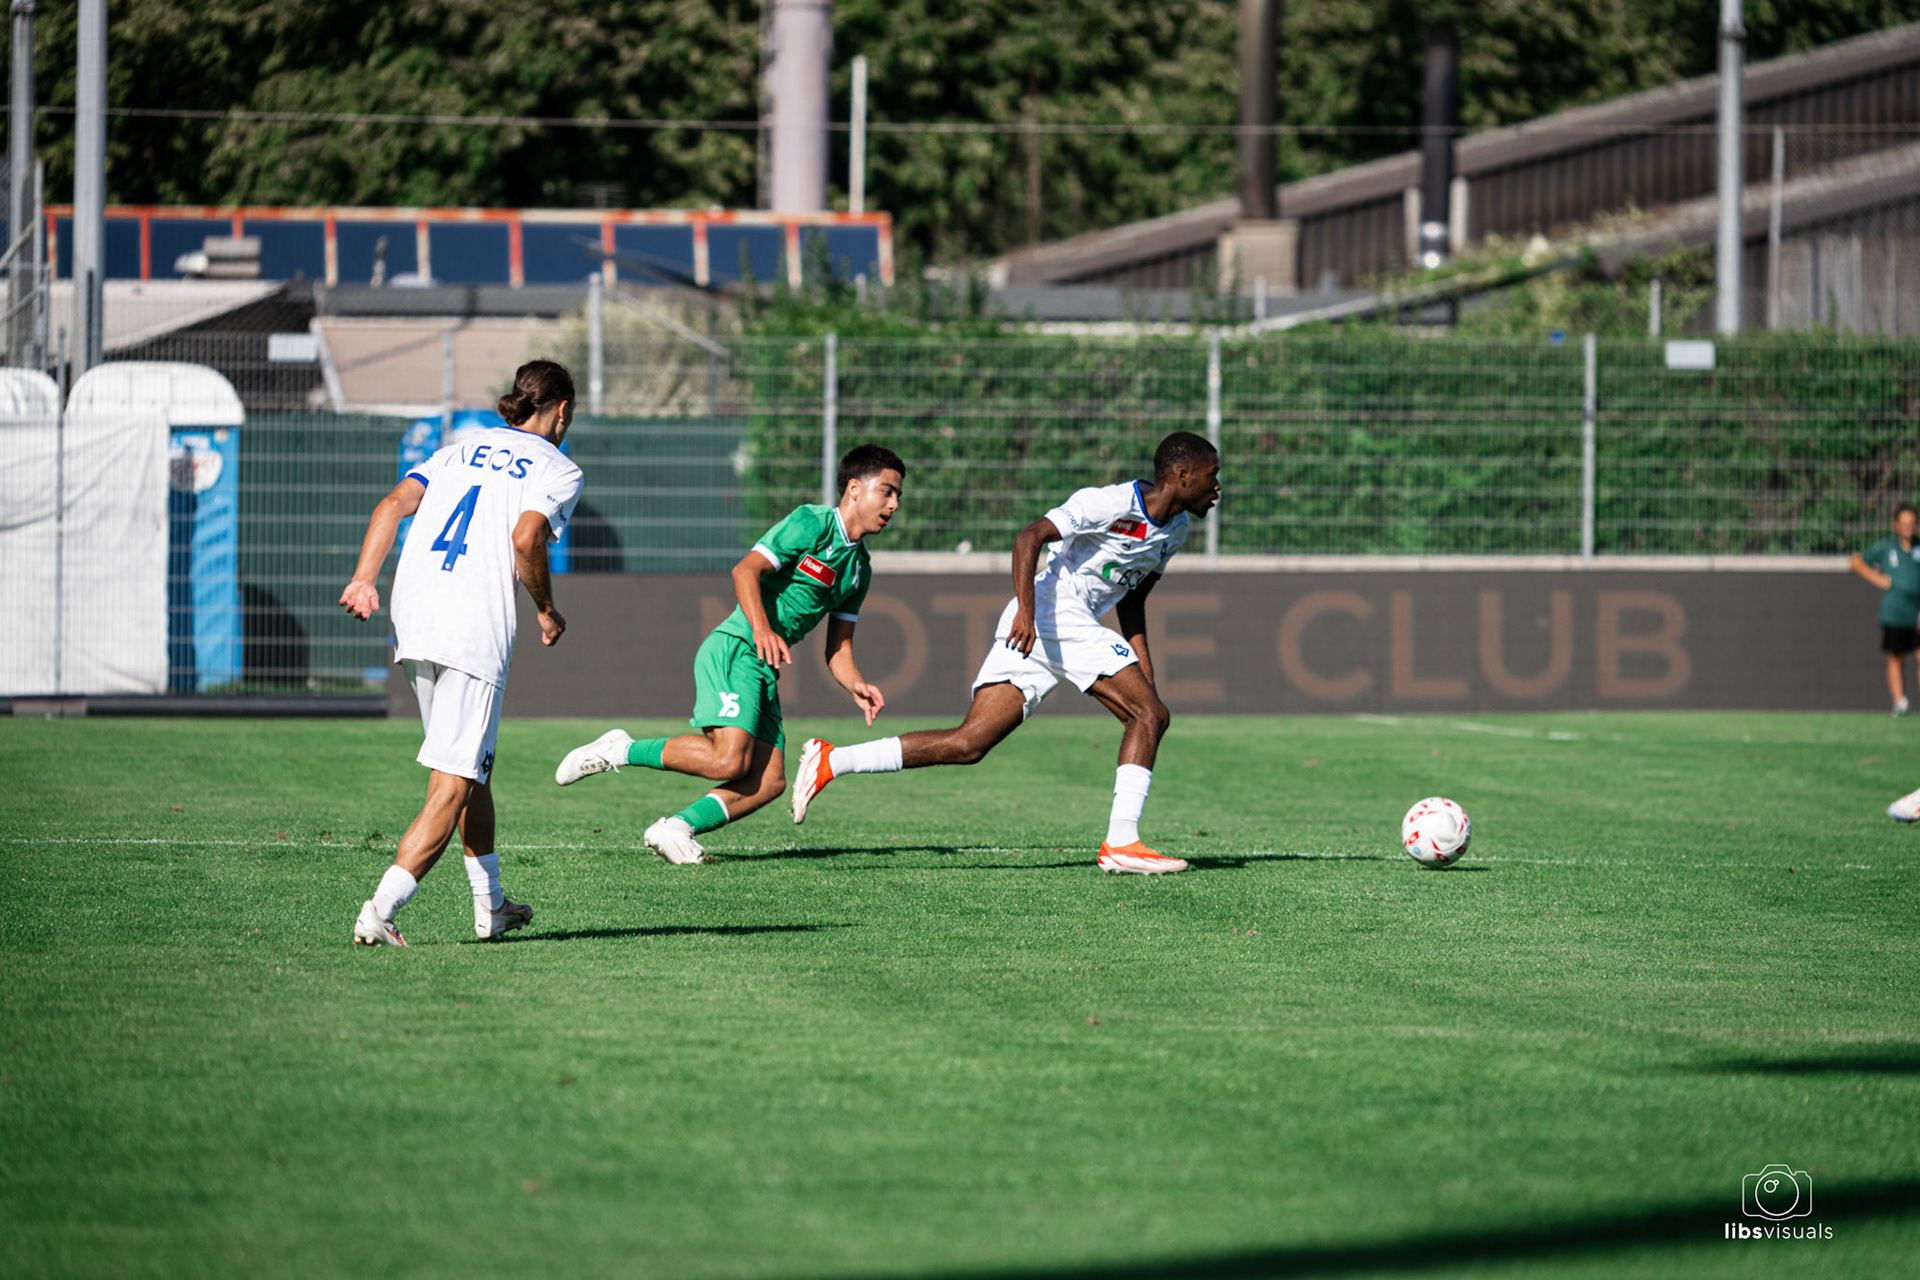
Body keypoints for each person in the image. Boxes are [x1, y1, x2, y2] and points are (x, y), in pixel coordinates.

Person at [788, 430, 1221, 875]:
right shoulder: (1111, 503)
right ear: (1182, 476)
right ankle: (1122, 841)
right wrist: (1028, 614)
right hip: (1052, 610)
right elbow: (1028, 537)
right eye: (1213, 475)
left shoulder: (1178, 529)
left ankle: (831, 760)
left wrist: (1143, 668)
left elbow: (1132, 599)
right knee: (1151, 716)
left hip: (1058, 624)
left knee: (969, 742)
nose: (1218, 487)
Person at [553, 444, 905, 863]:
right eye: (886, 491)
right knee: (727, 760)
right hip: (736, 648)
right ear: (853, 489)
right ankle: (619, 749)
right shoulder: (812, 524)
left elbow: (839, 647)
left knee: (769, 780)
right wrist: (761, 629)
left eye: (898, 495)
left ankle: (676, 827)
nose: (894, 504)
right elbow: (746, 570)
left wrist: (856, 683)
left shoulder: (859, 569)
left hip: (764, 666)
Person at [339, 360, 583, 946]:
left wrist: (364, 579)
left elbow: (391, 506)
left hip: (415, 616)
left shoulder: (457, 450)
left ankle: (491, 904)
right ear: (562, 411)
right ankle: (379, 910)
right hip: (472, 626)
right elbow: (526, 538)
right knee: (452, 784)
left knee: (472, 769)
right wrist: (546, 609)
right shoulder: (559, 467)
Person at [1849, 502, 1920, 716]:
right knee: (1895, 656)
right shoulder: (1888, 547)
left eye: (1912, 524)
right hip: (1895, 612)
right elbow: (1856, 561)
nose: (1908, 528)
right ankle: (1900, 703)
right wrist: (1878, 579)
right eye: (1904, 524)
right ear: (1896, 525)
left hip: (1916, 611)